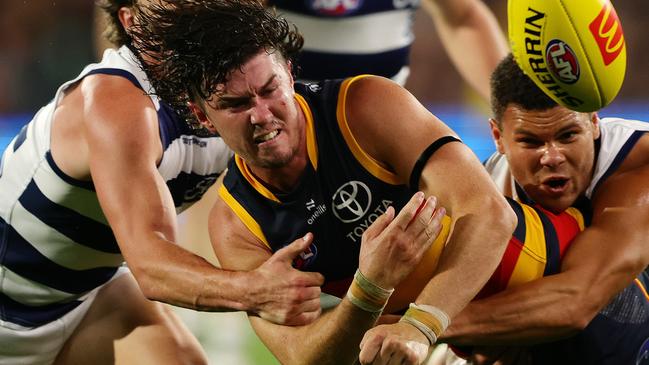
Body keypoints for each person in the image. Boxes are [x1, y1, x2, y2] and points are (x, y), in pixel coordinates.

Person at [129, 1, 540, 364]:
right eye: (236, 104)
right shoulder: (237, 223)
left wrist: (422, 325)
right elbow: (303, 356)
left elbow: (489, 214)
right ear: (202, 117)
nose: (261, 115)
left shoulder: (366, 107)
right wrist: (370, 288)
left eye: (270, 90)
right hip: (436, 339)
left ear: (289, 75)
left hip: (530, 287)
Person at [0, 0, 327, 363]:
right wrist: (257, 290)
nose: (195, 10)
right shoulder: (114, 100)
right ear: (131, 21)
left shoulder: (226, 88)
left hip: (86, 298)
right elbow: (153, 265)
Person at [432, 54, 649, 364]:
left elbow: (576, 301)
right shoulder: (482, 195)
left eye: (568, 135)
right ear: (498, 138)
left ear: (594, 121)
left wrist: (424, 323)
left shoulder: (639, 162)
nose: (552, 157)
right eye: (531, 142)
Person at [266, 0, 508, 99]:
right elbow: (233, 30)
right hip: (274, 130)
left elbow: (464, 19)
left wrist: (511, 107)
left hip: (382, 134)